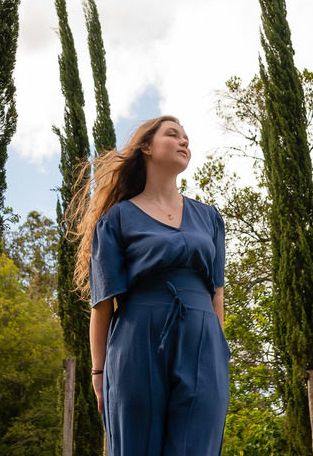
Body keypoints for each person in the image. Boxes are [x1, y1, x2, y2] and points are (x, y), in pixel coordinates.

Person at [67, 115, 230, 456]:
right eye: (173, 135)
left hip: (203, 341)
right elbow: (102, 305)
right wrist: (99, 372)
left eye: (186, 137)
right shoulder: (116, 219)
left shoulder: (210, 218)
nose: (184, 141)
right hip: (136, 340)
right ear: (146, 148)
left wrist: (218, 348)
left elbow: (217, 292)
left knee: (197, 446)